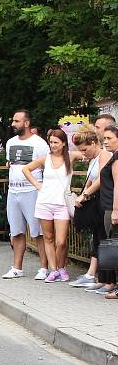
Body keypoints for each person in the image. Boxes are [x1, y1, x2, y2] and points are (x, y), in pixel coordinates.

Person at [22, 128, 81, 282]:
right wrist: (37, 185)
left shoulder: (70, 156)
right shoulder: (45, 158)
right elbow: (26, 169)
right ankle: (54, 269)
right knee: (48, 237)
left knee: (61, 241)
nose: (53, 145)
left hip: (62, 204)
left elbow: (89, 154)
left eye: (56, 142)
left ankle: (62, 267)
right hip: (44, 202)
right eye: (51, 142)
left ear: (63, 144)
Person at [1, 109, 50, 279]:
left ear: (26, 123)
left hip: (32, 191)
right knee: (16, 231)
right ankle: (17, 267)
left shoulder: (40, 143)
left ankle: (44, 268)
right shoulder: (10, 142)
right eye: (13, 121)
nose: (13, 124)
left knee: (38, 232)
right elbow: (11, 165)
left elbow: (47, 167)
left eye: (16, 121)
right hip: (14, 191)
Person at [70, 125, 113, 289]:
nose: (83, 153)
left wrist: (85, 194)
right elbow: (90, 179)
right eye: (80, 151)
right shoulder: (93, 159)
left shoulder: (104, 155)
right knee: (97, 240)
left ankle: (108, 280)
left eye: (85, 149)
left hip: (104, 202)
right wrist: (83, 193)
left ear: (94, 142)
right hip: (96, 205)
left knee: (104, 240)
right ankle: (100, 278)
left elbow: (101, 179)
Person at [97, 124, 118, 299]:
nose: (105, 142)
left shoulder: (116, 158)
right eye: (104, 138)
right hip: (110, 206)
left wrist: (115, 210)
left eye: (109, 138)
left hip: (113, 207)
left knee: (116, 246)